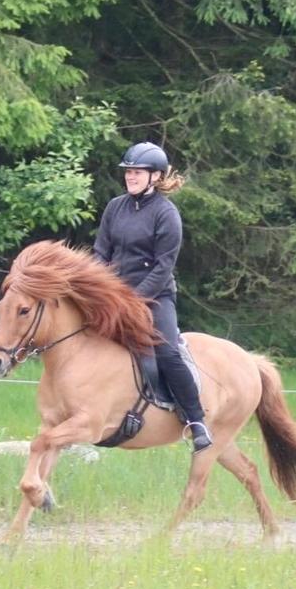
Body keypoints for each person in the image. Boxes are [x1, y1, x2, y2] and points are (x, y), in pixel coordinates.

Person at [93, 141, 213, 452]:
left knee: (167, 353)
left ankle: (195, 419)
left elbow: (163, 268)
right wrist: (99, 291)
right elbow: (100, 253)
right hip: (114, 295)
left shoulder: (166, 214)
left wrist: (132, 300)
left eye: (137, 172)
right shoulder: (114, 207)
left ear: (155, 177)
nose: (130, 177)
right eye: (128, 172)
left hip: (156, 296)